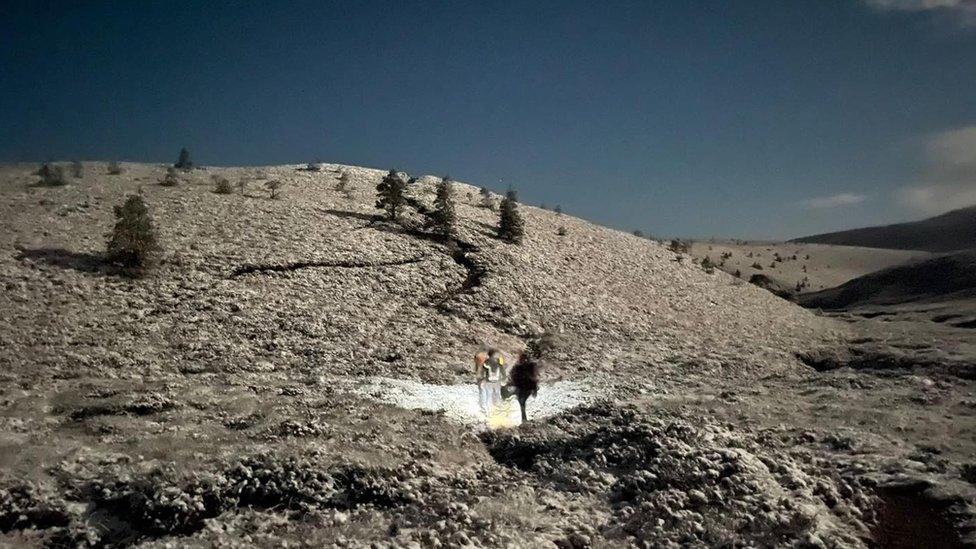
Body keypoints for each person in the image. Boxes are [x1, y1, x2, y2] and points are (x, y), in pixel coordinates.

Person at [503, 351, 539, 423]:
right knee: (521, 402)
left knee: (521, 402)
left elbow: (533, 377)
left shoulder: (526, 367)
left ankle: (523, 418)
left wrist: (534, 388)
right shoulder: (525, 366)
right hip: (522, 387)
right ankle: (523, 418)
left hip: (525, 387)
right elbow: (533, 378)